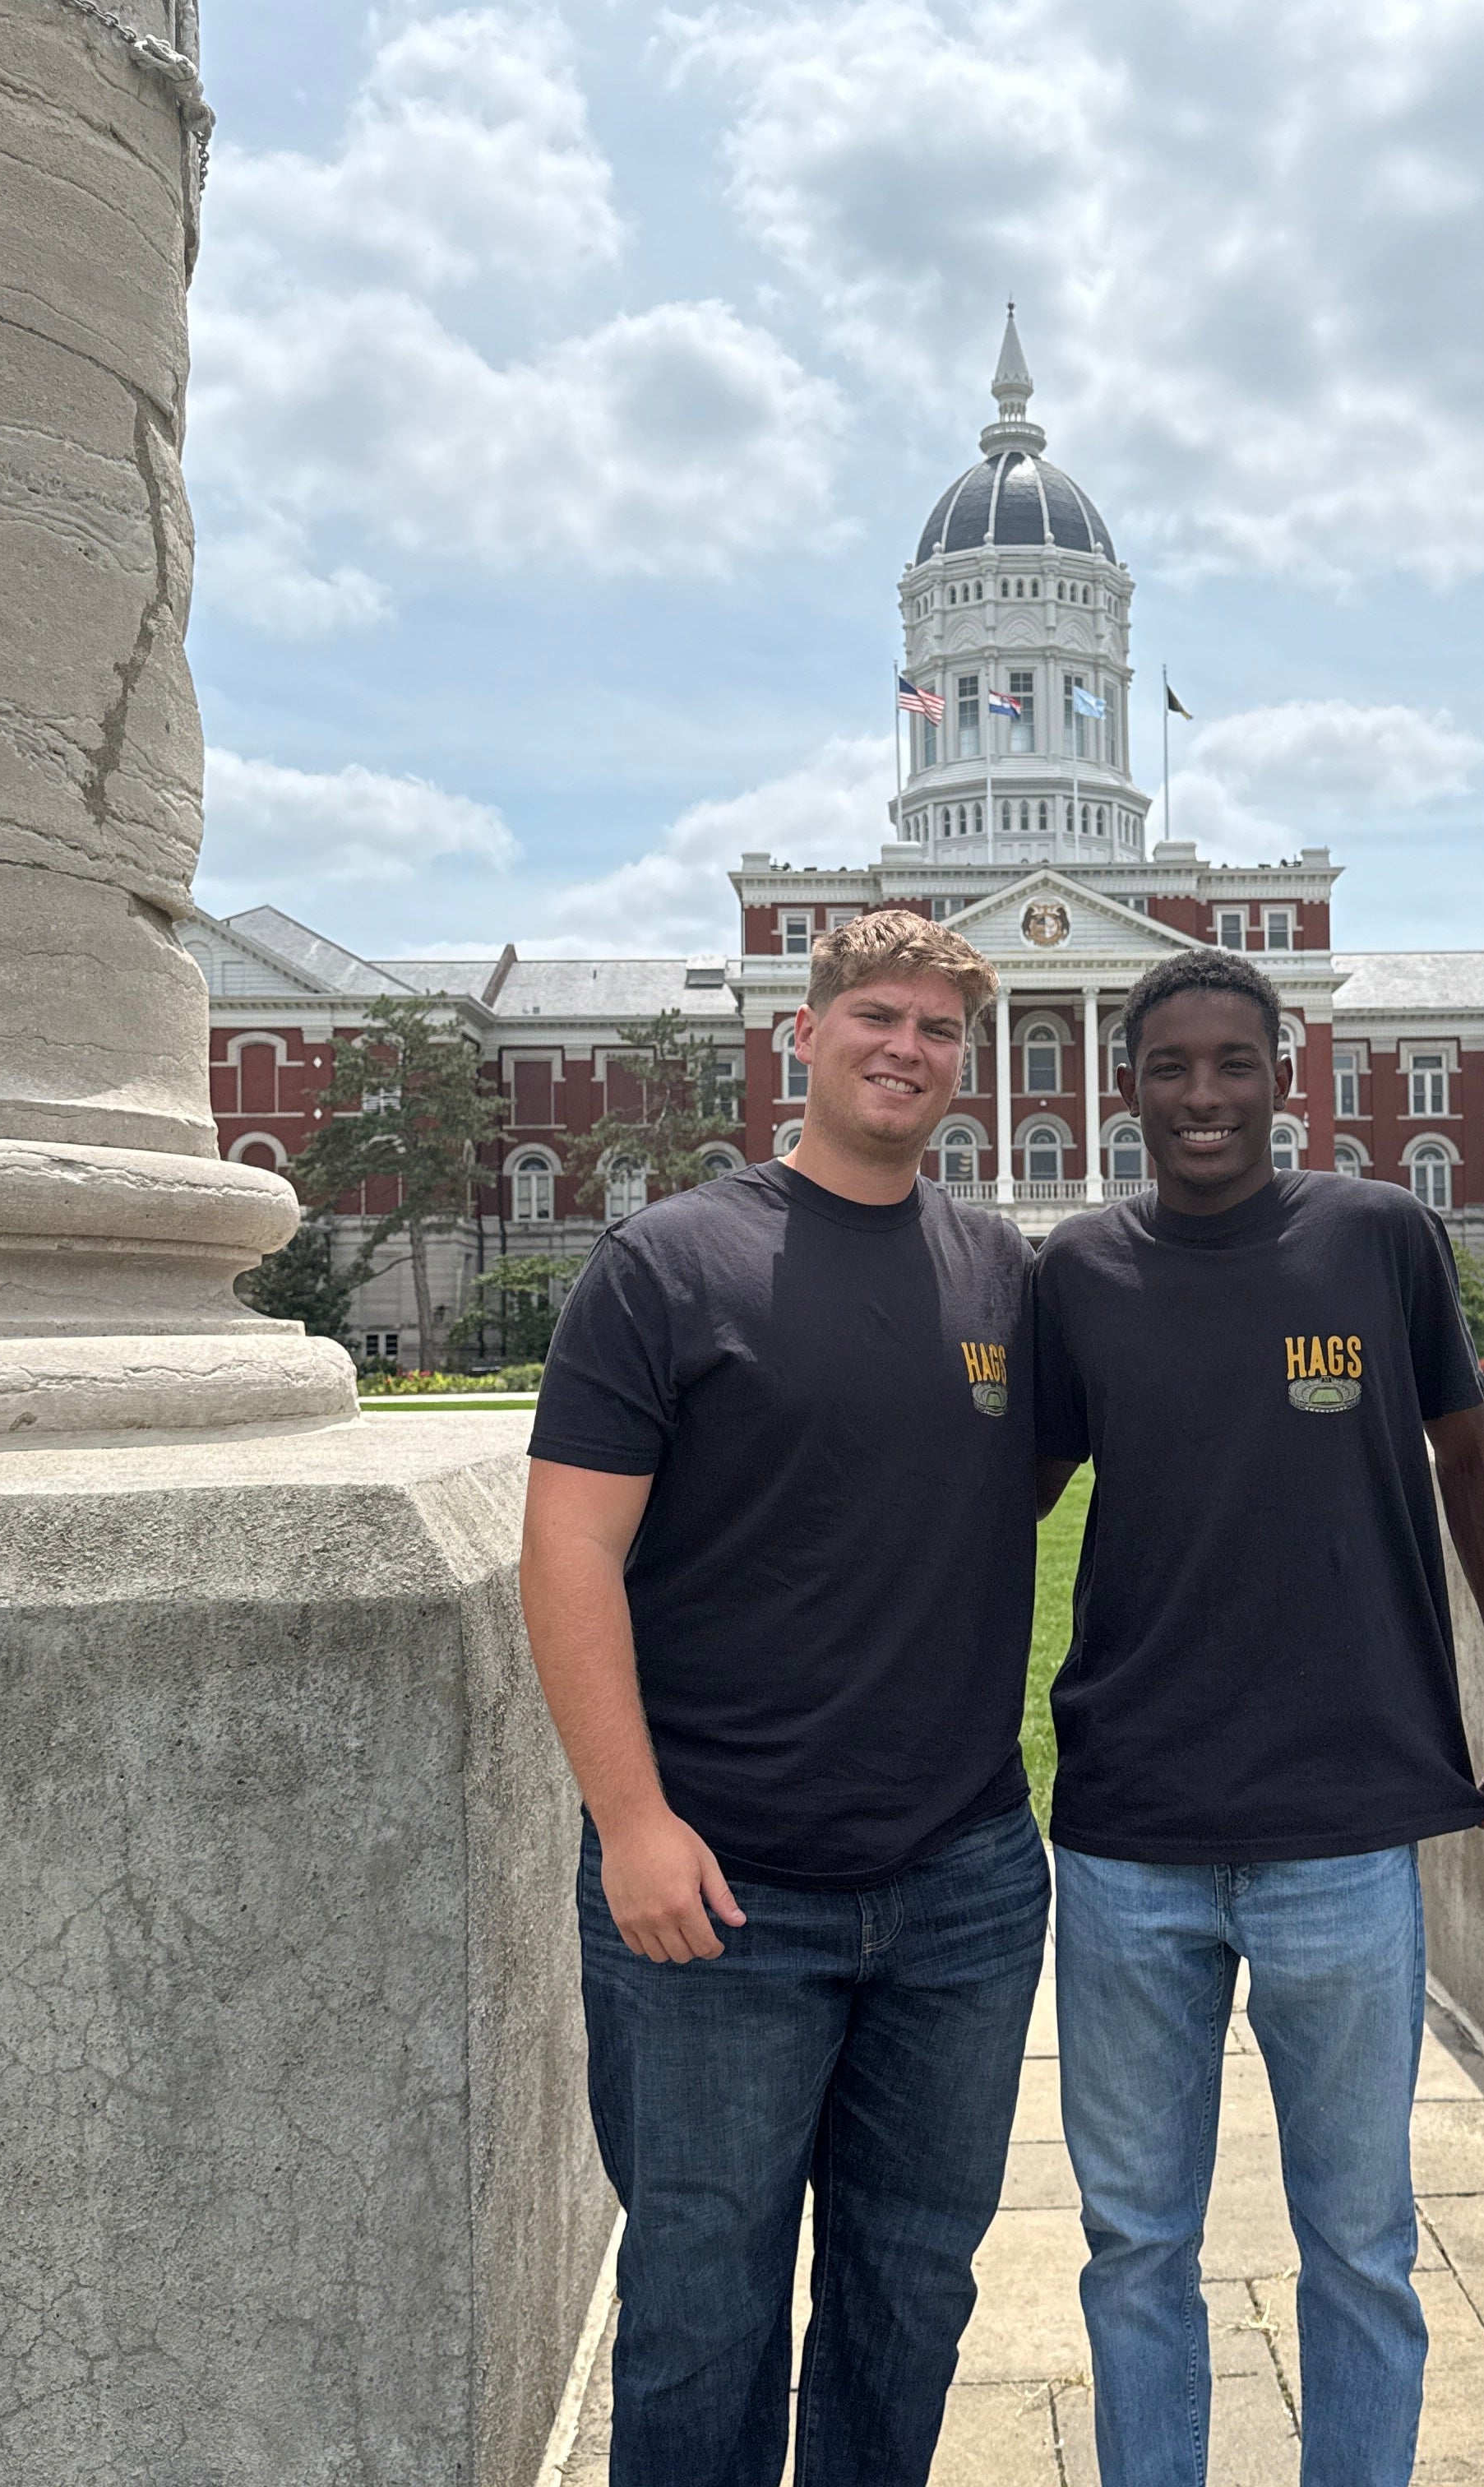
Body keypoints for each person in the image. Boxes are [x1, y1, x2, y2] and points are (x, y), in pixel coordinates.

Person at [519, 910, 1048, 2487]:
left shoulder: (999, 1269)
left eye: (940, 1029)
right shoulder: (670, 1264)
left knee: (910, 2296)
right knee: (700, 2309)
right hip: (717, 1893)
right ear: (799, 1037)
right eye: (876, 1016)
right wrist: (632, 1825)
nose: (907, 1048)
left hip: (959, 1885)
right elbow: (568, 1553)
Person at [1033, 950, 1484, 2487]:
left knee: (1363, 2247)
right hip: (1132, 1837)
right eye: (1172, 1067)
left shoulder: (1378, 1240)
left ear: (1283, 1076)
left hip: (1346, 1824)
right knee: (1133, 2247)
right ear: (1122, 1085)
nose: (1204, 1095)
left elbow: (1473, 1461)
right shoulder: (1075, 1273)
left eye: (1233, 1064)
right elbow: (998, 1503)